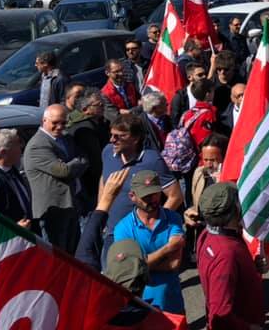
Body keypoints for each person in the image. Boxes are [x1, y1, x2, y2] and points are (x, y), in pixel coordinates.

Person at [101, 116, 183, 261]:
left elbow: (175, 196)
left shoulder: (152, 160)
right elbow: (103, 181)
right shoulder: (107, 152)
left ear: (135, 139)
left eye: (120, 136)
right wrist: (101, 212)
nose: (112, 140)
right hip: (111, 233)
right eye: (112, 135)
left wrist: (156, 223)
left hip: (139, 236)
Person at [113, 169, 186, 314]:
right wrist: (167, 249)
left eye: (155, 193)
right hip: (141, 307)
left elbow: (174, 264)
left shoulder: (173, 219)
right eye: (146, 196)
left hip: (172, 302)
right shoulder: (123, 229)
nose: (153, 199)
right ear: (132, 196)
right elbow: (129, 270)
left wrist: (142, 265)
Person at [195, 182, 265, 329]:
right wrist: (249, 328)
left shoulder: (206, 234)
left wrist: (251, 268)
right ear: (235, 209)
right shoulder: (226, 254)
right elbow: (220, 314)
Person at [23, 104, 88, 253]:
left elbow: (84, 157)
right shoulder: (38, 145)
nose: (59, 127)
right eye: (55, 123)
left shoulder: (65, 139)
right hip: (53, 210)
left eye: (63, 123)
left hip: (70, 204)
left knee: (72, 252)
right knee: (57, 255)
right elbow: (63, 171)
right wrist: (78, 162)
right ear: (44, 120)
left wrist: (77, 162)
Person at [66, 90, 109, 218]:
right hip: (92, 185)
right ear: (85, 110)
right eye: (98, 105)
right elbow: (96, 161)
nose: (102, 106)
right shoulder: (85, 130)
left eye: (102, 103)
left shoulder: (98, 123)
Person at [101, 58, 140, 124]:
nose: (121, 73)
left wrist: (129, 112)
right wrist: (137, 109)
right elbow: (116, 117)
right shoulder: (104, 94)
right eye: (116, 72)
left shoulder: (130, 84)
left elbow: (142, 105)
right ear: (107, 73)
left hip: (138, 121)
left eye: (122, 70)